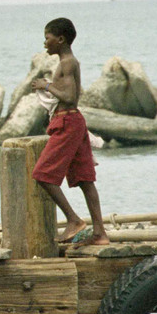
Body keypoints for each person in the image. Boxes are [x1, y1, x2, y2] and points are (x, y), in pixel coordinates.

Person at [30, 17, 109, 246]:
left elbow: (69, 97)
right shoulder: (69, 62)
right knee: (85, 179)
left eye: (48, 38)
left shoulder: (66, 63)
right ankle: (100, 234)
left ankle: (73, 220)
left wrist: (44, 85)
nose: (45, 43)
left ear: (60, 39)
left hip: (68, 123)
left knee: (42, 174)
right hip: (75, 122)